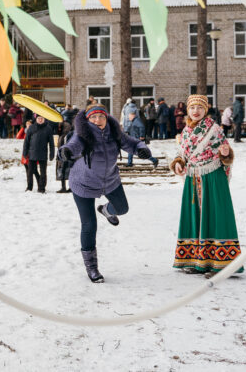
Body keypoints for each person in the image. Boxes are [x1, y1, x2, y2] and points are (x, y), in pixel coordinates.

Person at [58, 103, 152, 282]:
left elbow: (131, 143)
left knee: (122, 208)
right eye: (93, 117)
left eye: (101, 116)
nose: (97, 120)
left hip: (110, 180)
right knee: (89, 225)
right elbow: (74, 145)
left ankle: (106, 210)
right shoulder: (83, 134)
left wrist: (141, 148)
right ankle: (92, 268)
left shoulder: (114, 132)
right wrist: (66, 151)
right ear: (88, 119)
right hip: (83, 183)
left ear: (106, 117)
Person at [170, 95, 242, 278]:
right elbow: (182, 154)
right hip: (193, 177)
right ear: (187, 110)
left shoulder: (214, 129)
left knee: (215, 216)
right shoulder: (186, 131)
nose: (196, 111)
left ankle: (221, 264)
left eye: (200, 108)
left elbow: (225, 152)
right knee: (195, 217)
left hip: (213, 176)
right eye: (192, 107)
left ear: (206, 110)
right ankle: (196, 260)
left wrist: (225, 153)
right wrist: (178, 163)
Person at [22, 114, 55, 193]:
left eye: (41, 118)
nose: (40, 120)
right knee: (30, 172)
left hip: (43, 153)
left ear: (44, 119)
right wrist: (25, 152)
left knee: (43, 172)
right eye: (39, 118)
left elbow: (51, 143)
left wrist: (52, 153)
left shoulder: (48, 128)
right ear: (36, 119)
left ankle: (41, 188)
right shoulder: (31, 128)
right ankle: (29, 187)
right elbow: (26, 141)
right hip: (32, 153)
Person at [56, 119, 74, 193]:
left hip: (66, 155)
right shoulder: (63, 135)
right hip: (64, 155)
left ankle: (67, 187)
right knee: (64, 171)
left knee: (65, 170)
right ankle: (66, 187)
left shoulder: (66, 135)